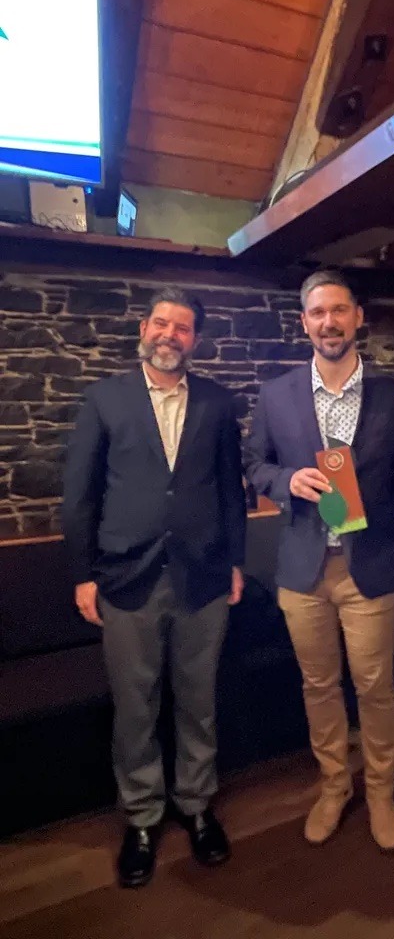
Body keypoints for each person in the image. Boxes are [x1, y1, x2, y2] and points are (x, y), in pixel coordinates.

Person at [62, 287, 246, 888]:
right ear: (145, 329)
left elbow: (230, 492)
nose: (170, 335)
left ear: (196, 339)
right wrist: (83, 573)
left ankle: (196, 807)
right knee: (135, 705)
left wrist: (235, 561)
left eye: (184, 327)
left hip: (204, 577)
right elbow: (81, 495)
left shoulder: (218, 403)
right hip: (125, 578)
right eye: (162, 324)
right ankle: (141, 817)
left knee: (199, 699)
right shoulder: (105, 398)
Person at [245, 269, 394, 851]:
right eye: (318, 312)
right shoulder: (275, 395)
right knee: (319, 685)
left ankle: (381, 789)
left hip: (369, 567)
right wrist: (286, 478)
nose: (329, 322)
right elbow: (254, 467)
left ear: (357, 317)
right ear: (304, 323)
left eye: (339, 310)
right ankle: (333, 785)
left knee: (376, 687)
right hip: (302, 569)